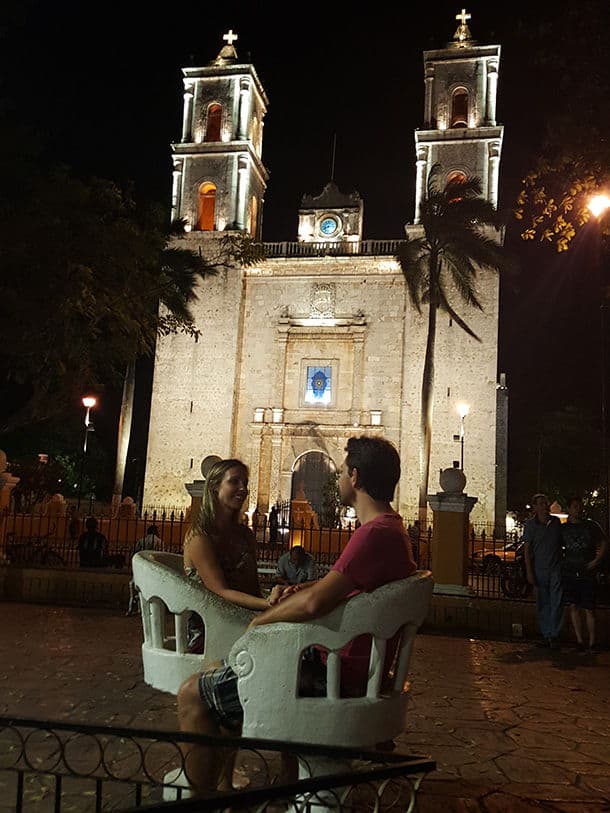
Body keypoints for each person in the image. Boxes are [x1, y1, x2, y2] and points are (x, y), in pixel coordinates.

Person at [177, 435, 417, 796]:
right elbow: (332, 587)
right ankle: (277, 784)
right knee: (225, 676)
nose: (335, 479)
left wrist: (261, 622)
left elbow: (313, 604)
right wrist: (298, 591)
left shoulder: (373, 535)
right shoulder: (391, 530)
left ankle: (196, 802)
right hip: (346, 667)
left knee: (193, 693)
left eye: (340, 471)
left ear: (354, 477)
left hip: (330, 674)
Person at [561, 496, 607, 654]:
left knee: (589, 608)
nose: (578, 509)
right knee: (574, 606)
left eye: (580, 506)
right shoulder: (564, 528)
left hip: (587, 571)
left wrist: (596, 561)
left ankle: (592, 642)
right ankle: (580, 641)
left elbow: (603, 542)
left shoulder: (591, 526)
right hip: (571, 571)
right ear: (569, 509)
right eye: (575, 506)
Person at [522, 493, 564, 649]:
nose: (543, 506)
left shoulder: (556, 522)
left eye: (545, 503)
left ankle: (554, 634)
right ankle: (547, 634)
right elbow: (527, 550)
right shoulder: (530, 525)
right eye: (540, 503)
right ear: (534, 507)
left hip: (555, 568)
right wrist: (529, 571)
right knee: (543, 602)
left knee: (557, 602)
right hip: (539, 568)